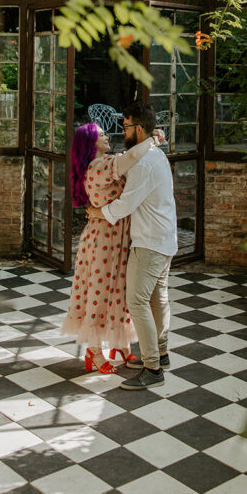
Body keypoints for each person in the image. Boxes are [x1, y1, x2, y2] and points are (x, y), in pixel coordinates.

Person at [88, 101, 177, 391]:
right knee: (156, 299)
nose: (122, 131)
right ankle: (161, 354)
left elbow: (126, 204)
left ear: (138, 128)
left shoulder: (146, 163)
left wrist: (98, 213)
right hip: (164, 240)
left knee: (137, 301)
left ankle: (152, 369)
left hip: (149, 242)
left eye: (126, 126)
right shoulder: (154, 154)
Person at [61, 121, 155, 374]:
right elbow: (133, 155)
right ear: (89, 142)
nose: (106, 137)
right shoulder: (98, 167)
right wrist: (152, 139)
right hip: (104, 240)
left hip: (118, 236)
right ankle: (94, 350)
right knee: (100, 293)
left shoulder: (105, 163)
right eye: (101, 134)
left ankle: (120, 344)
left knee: (121, 291)